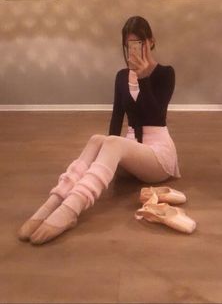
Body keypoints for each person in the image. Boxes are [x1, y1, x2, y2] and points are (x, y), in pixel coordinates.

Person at [18, 16, 180, 245]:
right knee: (98, 139)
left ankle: (71, 209)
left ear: (150, 42)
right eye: (129, 45)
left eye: (139, 43)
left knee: (113, 143)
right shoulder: (122, 77)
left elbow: (156, 114)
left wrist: (144, 78)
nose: (133, 49)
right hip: (132, 154)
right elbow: (116, 119)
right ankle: (54, 201)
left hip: (158, 157)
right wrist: (104, 157)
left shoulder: (165, 73)